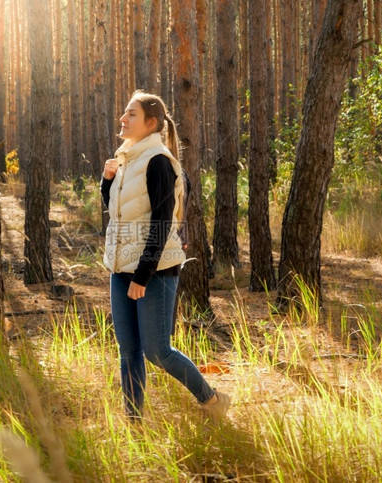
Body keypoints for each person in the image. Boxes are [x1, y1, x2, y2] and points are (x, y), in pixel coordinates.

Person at [101, 90, 231, 421]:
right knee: (128, 350)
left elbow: (161, 221)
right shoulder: (126, 159)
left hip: (155, 270)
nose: (123, 118)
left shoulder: (159, 161)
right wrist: (107, 183)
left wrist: (142, 276)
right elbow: (120, 213)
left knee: (157, 352)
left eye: (131, 114)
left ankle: (212, 401)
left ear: (151, 123)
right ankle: (134, 422)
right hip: (121, 266)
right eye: (125, 112)